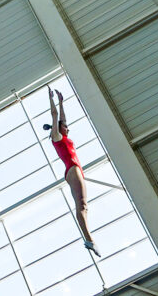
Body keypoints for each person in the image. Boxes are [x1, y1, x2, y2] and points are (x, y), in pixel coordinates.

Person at [44, 87, 100, 256]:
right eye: (65, 127)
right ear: (60, 129)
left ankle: (89, 239)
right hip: (73, 169)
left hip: (75, 170)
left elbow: (62, 118)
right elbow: (55, 117)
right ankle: (89, 239)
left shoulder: (63, 136)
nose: (68, 129)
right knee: (82, 206)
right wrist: (51, 99)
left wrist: (62, 102)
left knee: (83, 206)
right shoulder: (57, 137)